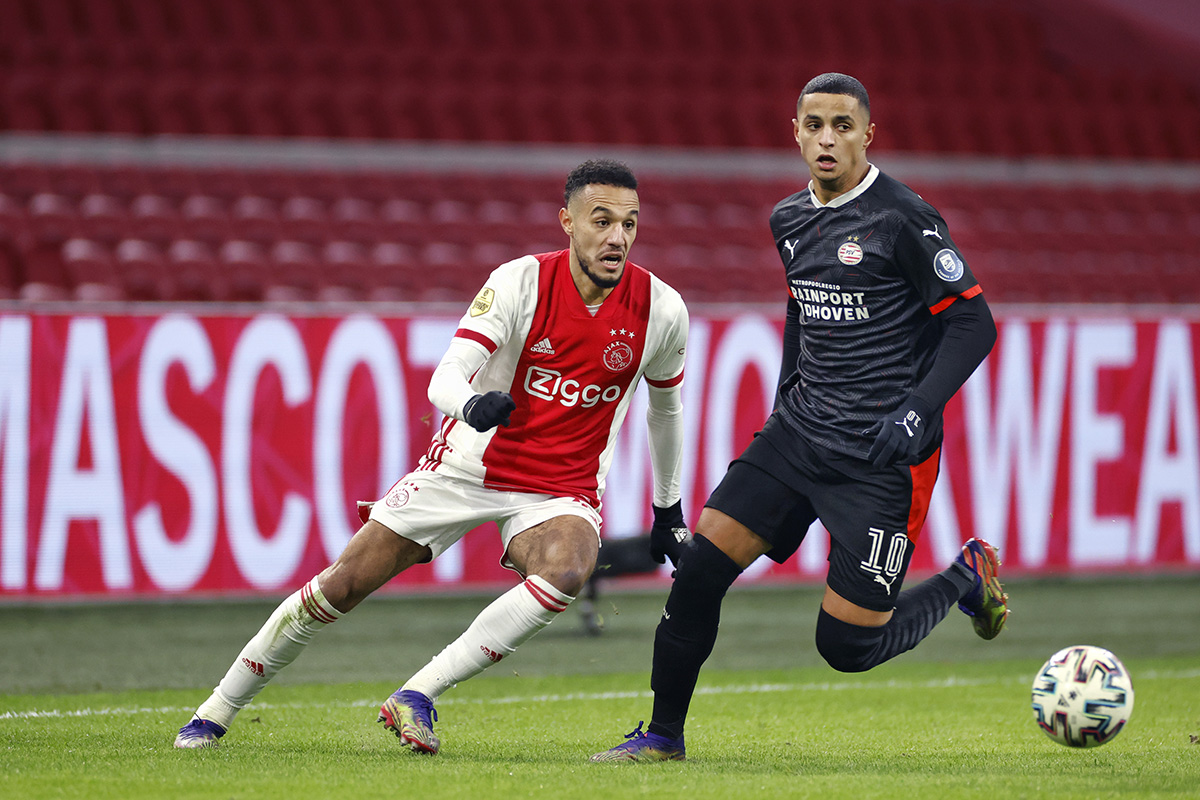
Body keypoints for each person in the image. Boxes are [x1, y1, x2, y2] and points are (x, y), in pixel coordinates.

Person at [174, 159, 692, 753]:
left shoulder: (662, 309)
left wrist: (668, 510)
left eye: (629, 223)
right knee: (344, 584)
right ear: (567, 223)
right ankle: (214, 712)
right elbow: (445, 375)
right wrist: (471, 405)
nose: (617, 237)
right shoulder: (519, 283)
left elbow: (666, 411)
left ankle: (417, 693)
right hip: (465, 468)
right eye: (601, 222)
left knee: (570, 568)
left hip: (559, 489)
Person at [591, 73, 1006, 763]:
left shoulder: (903, 218)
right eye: (814, 125)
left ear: (868, 135)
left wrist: (915, 410)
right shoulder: (788, 218)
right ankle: (662, 736)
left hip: (880, 456)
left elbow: (973, 323)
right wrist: (787, 390)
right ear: (796, 133)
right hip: (799, 435)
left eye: (842, 125)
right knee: (698, 571)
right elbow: (800, 301)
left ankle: (966, 574)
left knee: (846, 645)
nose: (827, 139)